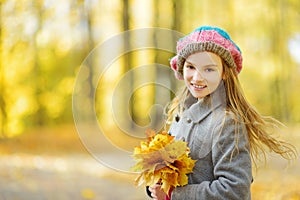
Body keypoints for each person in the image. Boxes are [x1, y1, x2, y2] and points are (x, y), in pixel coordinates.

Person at [147, 26, 297, 200]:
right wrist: (157, 182)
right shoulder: (180, 113)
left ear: (224, 72)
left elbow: (235, 190)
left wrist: (174, 194)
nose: (197, 77)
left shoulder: (226, 122)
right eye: (191, 67)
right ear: (182, 68)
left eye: (209, 69)